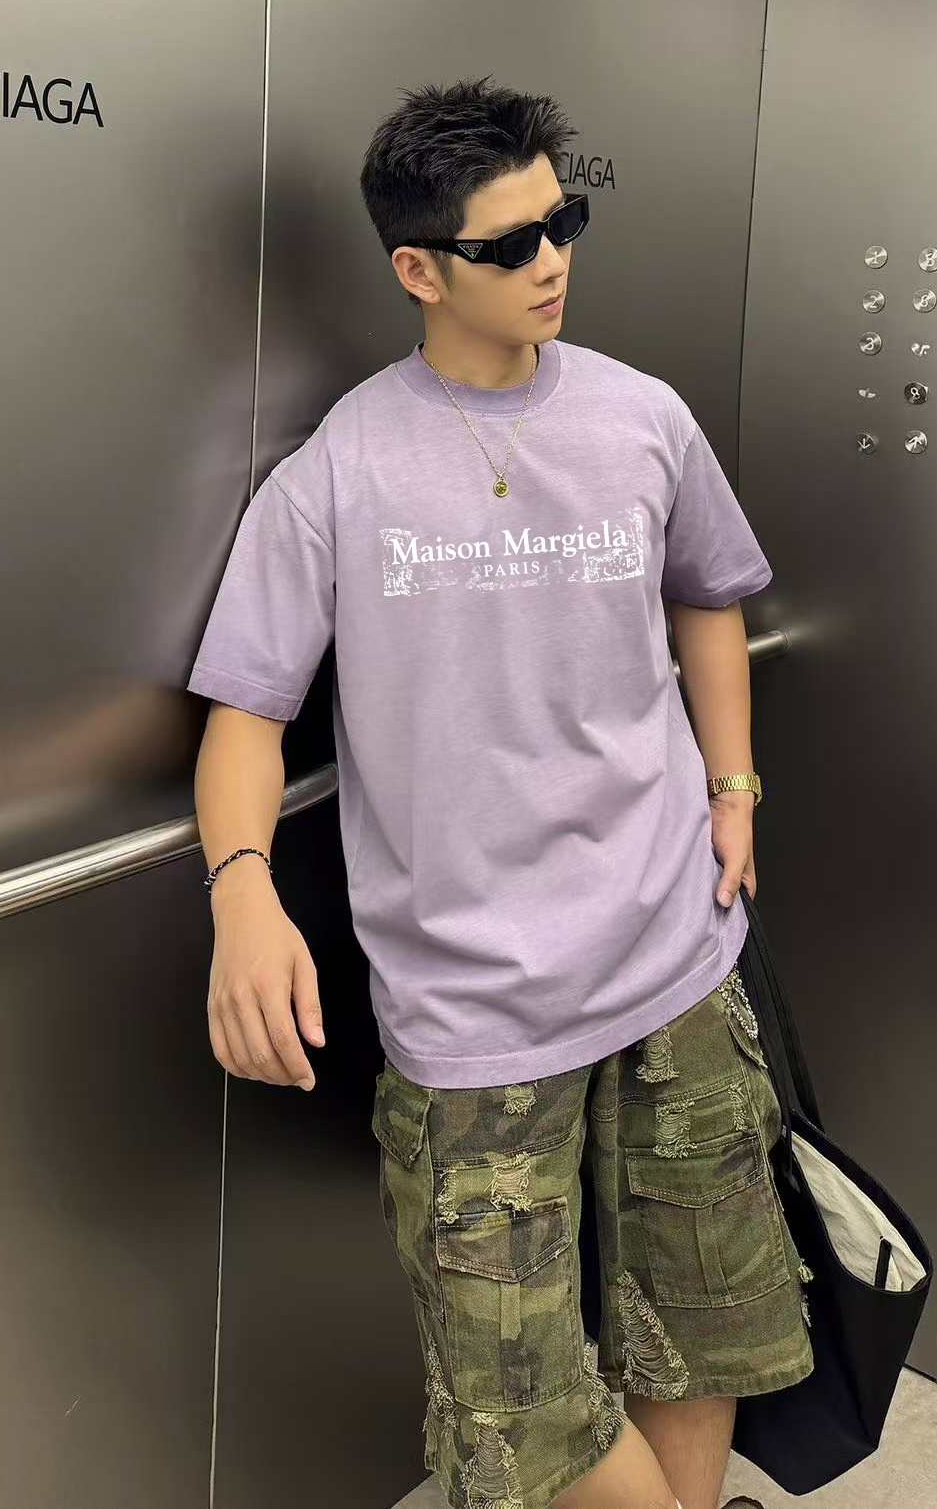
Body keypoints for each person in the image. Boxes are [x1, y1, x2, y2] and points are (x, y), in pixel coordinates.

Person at [187, 78, 812, 1509]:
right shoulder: (339, 471)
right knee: (515, 1408)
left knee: (695, 1319)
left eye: (562, 222)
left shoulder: (643, 416)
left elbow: (709, 596)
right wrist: (242, 897)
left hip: (674, 956)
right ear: (419, 270)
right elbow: (245, 718)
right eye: (511, 243)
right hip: (474, 1012)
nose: (551, 262)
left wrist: (732, 787)